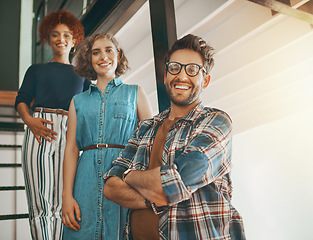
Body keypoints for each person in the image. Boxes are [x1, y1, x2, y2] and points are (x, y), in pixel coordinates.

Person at [103, 34, 246, 240]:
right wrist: (154, 198)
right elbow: (110, 187)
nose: (182, 76)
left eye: (192, 69)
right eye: (175, 68)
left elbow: (174, 182)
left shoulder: (216, 121)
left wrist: (129, 176)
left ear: (205, 80)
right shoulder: (145, 127)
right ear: (165, 76)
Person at [61, 32, 153, 240]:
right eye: (96, 52)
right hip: (84, 182)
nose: (103, 56)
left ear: (118, 55)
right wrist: (67, 196)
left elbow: (150, 143)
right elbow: (72, 149)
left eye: (108, 50)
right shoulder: (77, 101)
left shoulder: (135, 92)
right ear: (89, 60)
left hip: (124, 181)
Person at [14, 9, 89, 240]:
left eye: (66, 35)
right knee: (40, 201)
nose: (61, 39)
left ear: (75, 39)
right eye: (55, 34)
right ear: (47, 39)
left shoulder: (82, 75)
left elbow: (86, 110)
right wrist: (29, 121)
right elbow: (21, 100)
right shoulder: (36, 70)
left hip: (70, 132)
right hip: (40, 129)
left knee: (63, 200)